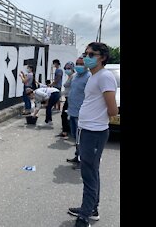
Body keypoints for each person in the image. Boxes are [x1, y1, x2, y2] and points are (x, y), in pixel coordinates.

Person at [68, 43, 118, 227]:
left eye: (91, 54)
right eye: (85, 53)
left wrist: (95, 118)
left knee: (88, 174)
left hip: (95, 132)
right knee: (91, 171)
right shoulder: (94, 76)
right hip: (86, 129)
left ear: (102, 57)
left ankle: (84, 217)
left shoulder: (105, 77)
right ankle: (91, 209)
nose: (87, 57)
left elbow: (112, 110)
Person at [65, 57, 91, 167]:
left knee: (82, 139)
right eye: (77, 64)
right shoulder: (75, 76)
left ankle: (83, 161)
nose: (78, 66)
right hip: (72, 111)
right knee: (75, 137)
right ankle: (77, 156)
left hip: (82, 114)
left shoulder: (89, 77)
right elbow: (68, 87)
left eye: (81, 64)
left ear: (86, 65)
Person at [57, 61, 75, 138]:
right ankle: (67, 130)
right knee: (66, 115)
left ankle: (66, 131)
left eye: (68, 68)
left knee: (65, 115)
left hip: (71, 99)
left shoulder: (74, 76)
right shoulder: (70, 76)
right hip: (68, 97)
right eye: (66, 68)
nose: (67, 70)